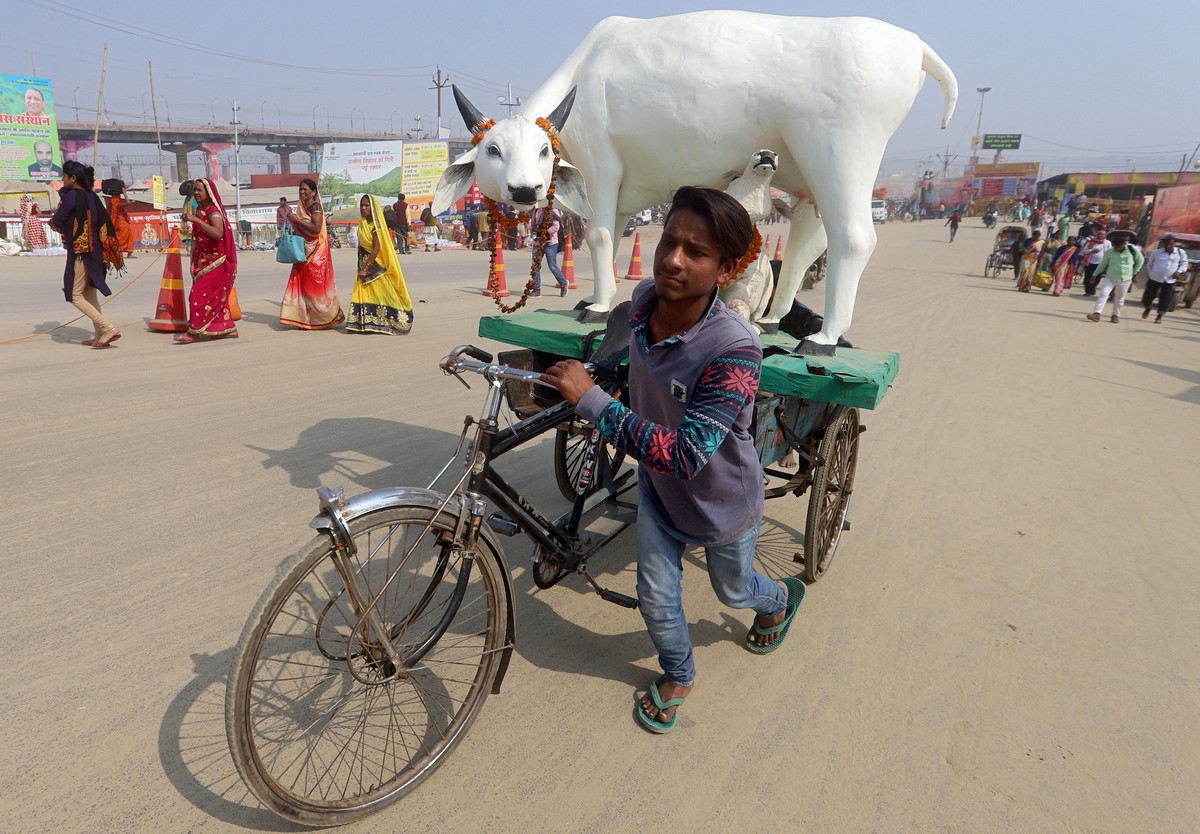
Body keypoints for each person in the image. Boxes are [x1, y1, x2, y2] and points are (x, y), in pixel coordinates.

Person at [541, 185, 803, 734]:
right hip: (659, 491)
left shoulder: (734, 352)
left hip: (720, 502)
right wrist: (595, 382)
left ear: (727, 269)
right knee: (655, 596)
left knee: (734, 590)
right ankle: (680, 672)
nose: (673, 260)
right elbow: (626, 368)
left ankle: (776, 599)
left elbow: (686, 455)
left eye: (696, 252)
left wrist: (591, 400)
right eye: (669, 242)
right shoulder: (641, 303)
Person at [48, 160, 123, 348]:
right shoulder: (92, 195)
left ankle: (108, 328)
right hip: (96, 249)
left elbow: (58, 219)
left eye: (64, 176)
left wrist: (55, 222)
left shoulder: (73, 195)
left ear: (73, 179)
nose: (63, 179)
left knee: (74, 295)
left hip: (82, 250)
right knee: (89, 294)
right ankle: (100, 335)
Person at [174, 178, 238, 343]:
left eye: (199, 190)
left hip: (217, 260)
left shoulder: (213, 212)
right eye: (194, 190)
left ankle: (194, 332)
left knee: (198, 296)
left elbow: (218, 233)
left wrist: (196, 221)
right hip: (205, 260)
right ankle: (225, 328)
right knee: (215, 298)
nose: (196, 193)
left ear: (208, 192)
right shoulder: (201, 210)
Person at [280, 178, 344, 330]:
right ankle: (306, 318)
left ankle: (324, 317)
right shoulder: (302, 206)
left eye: (305, 190)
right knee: (303, 285)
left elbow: (316, 229)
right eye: (300, 189)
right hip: (303, 249)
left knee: (314, 286)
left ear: (313, 192)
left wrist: (296, 220)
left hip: (315, 251)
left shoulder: (315, 207)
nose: (302, 192)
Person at [346, 194, 414, 334]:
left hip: (375, 264)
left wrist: (366, 267)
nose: (363, 208)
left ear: (373, 207)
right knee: (364, 293)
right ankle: (364, 321)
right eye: (362, 205)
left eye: (366, 205)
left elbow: (376, 248)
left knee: (384, 293)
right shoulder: (363, 223)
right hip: (363, 261)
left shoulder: (376, 225)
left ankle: (397, 320)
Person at [1086, 230, 1143, 324]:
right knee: (1103, 294)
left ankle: (1115, 315)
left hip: (1125, 278)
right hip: (1110, 277)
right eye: (1115, 247)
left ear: (1124, 244)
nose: (1117, 249)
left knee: (1119, 298)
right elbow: (1103, 264)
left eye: (1119, 247)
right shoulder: (1110, 252)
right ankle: (1097, 314)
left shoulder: (1133, 250)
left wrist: (1134, 273)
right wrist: (1094, 275)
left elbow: (1140, 261)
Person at [1139, 234, 1190, 324]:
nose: (1168, 245)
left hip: (1169, 280)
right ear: (1163, 244)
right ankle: (1148, 307)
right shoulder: (1156, 252)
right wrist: (1152, 274)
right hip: (1154, 279)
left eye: (1170, 243)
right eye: (1166, 243)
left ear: (1174, 243)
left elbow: (1184, 264)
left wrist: (1179, 271)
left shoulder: (1180, 252)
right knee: (1147, 297)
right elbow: (1149, 264)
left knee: (1165, 299)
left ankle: (1160, 316)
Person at [531, 206, 569, 296]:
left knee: (552, 266)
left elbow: (556, 227)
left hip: (551, 243)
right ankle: (536, 289)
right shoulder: (536, 211)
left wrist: (545, 231)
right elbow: (533, 224)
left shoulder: (554, 210)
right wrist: (534, 228)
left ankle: (563, 283)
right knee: (535, 266)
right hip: (538, 243)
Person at [105, 185, 134, 257]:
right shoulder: (117, 203)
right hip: (121, 223)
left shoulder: (110, 203)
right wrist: (125, 194)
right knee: (124, 237)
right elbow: (128, 203)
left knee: (118, 236)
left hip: (116, 222)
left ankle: (114, 250)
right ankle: (114, 250)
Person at [1080, 229, 1111, 296]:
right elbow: (1084, 251)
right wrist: (1092, 250)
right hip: (1089, 262)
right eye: (1100, 234)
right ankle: (1088, 291)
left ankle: (1093, 288)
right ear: (1097, 235)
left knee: (1097, 277)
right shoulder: (1090, 242)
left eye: (1103, 234)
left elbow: (1109, 253)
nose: (1101, 236)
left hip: (1100, 263)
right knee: (1087, 277)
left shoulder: (1107, 243)